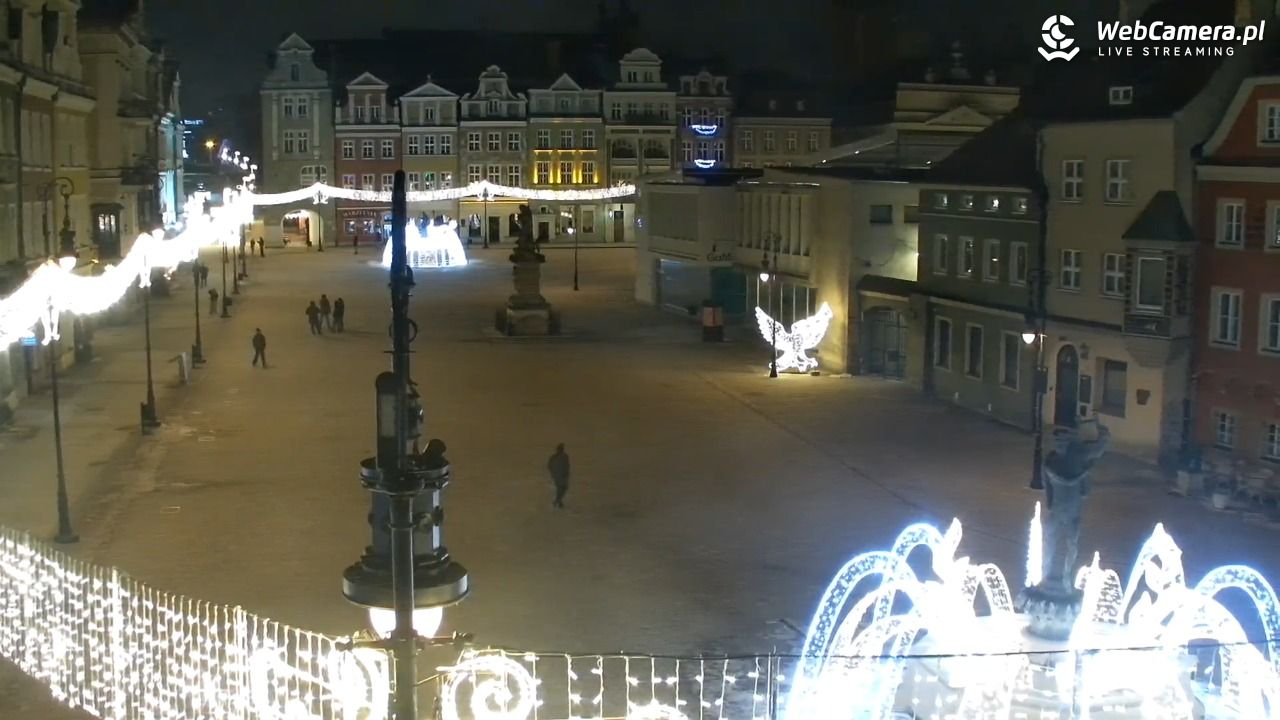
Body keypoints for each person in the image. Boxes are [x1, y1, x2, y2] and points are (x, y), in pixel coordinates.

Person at [547, 443, 570, 509]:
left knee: (563, 489)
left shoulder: (564, 456)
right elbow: (549, 466)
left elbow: (567, 465)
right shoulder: (554, 457)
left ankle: (558, 501)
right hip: (558, 476)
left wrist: (566, 473)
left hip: (563, 475)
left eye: (561, 449)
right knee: (560, 489)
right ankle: (558, 501)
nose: (560, 450)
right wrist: (554, 474)